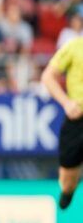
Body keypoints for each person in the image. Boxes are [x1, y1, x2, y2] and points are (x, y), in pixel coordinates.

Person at [41, 36, 83, 210]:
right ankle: (68, 189)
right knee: (67, 176)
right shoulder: (74, 47)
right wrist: (66, 103)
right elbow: (48, 77)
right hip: (77, 116)